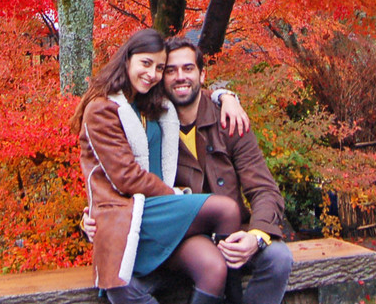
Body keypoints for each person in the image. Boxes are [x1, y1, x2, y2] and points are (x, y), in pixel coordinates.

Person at [82, 36, 293, 304]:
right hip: (178, 237)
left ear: (202, 75)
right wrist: (89, 219)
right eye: (170, 70)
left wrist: (257, 236)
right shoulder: (154, 125)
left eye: (188, 68)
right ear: (162, 80)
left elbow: (264, 188)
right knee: (124, 282)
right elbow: (111, 172)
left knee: (279, 258)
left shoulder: (229, 121)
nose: (180, 76)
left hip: (231, 234)